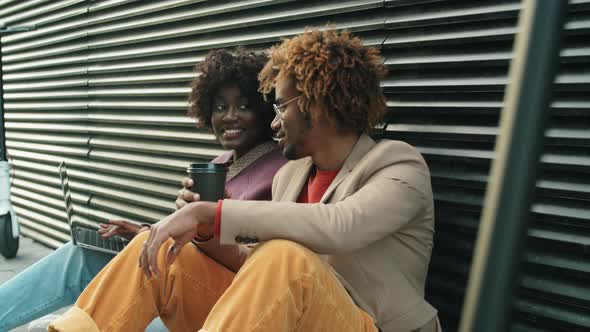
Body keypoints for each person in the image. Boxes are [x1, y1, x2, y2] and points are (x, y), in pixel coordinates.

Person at [49, 28, 440, 332]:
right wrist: (202, 230)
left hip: (367, 325)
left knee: (286, 256)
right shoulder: (291, 175)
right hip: (289, 317)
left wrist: (212, 211)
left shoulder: (398, 165)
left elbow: (341, 226)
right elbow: (256, 266)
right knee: (164, 251)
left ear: (316, 104)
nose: (273, 123)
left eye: (280, 106)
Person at [0, 48, 286, 332]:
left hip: (226, 301)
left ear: (265, 110)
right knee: (83, 254)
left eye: (244, 106)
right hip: (183, 277)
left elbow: (259, 269)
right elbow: (191, 246)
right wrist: (145, 231)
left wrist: (206, 222)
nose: (230, 117)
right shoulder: (219, 164)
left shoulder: (281, 170)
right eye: (221, 107)